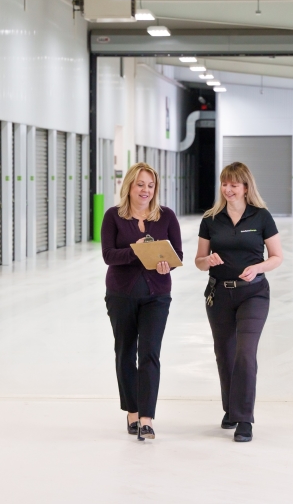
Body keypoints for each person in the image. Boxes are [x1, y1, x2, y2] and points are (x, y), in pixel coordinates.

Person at [194, 162, 283, 442]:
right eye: (224, 184)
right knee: (225, 353)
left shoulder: (261, 217)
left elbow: (277, 256)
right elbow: (198, 261)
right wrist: (206, 261)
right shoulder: (210, 219)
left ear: (246, 187)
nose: (228, 189)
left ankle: (244, 417)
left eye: (234, 184)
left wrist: (258, 268)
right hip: (219, 293)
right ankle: (230, 410)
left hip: (253, 293)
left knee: (245, 353)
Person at [101, 162, 183, 441]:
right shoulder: (113, 216)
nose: (146, 190)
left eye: (150, 185)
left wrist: (166, 265)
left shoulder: (166, 217)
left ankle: (147, 419)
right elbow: (109, 255)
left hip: (156, 295)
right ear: (129, 187)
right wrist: (138, 252)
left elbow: (176, 255)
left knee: (149, 353)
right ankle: (132, 412)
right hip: (121, 295)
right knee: (125, 352)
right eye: (140, 185)